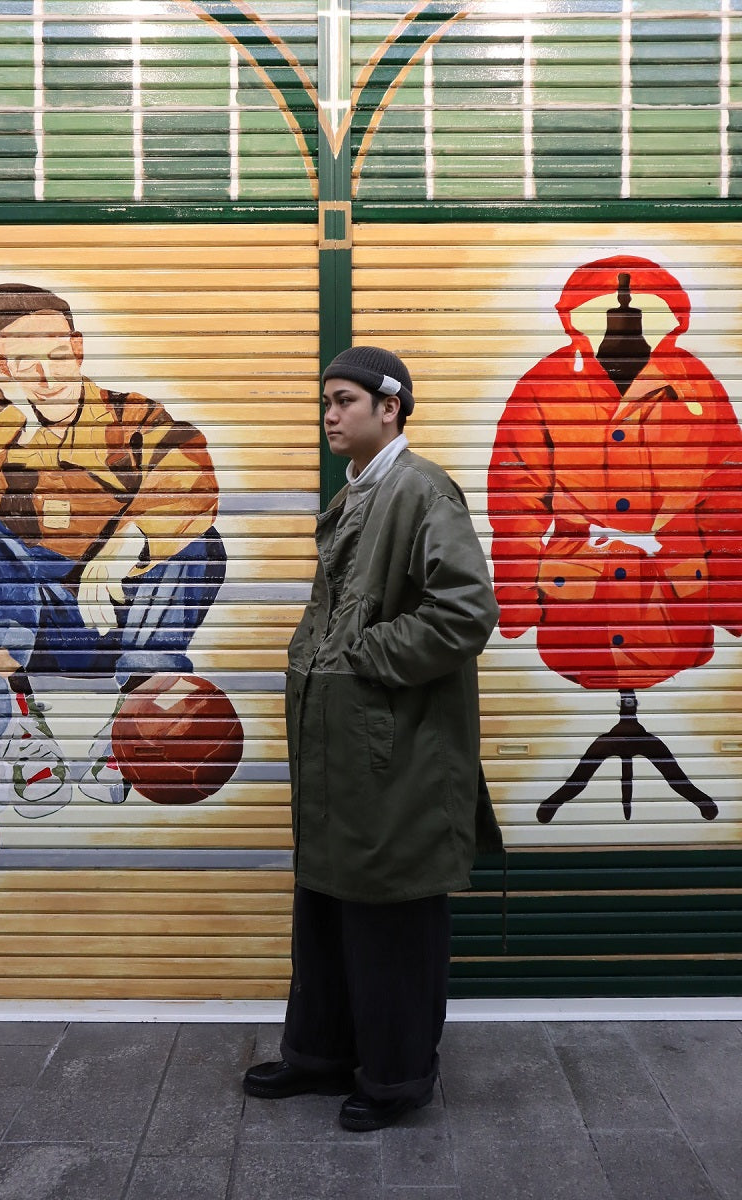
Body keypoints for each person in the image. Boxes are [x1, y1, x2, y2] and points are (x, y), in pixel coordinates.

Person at [243, 345, 502, 1131]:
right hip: (342, 754)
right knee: (327, 904)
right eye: (326, 400)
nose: (330, 413)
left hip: (398, 754)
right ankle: (321, 1056)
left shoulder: (420, 490)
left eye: (345, 399)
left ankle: (394, 1079)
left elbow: (465, 611)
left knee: (390, 914)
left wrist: (362, 658)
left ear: (391, 407)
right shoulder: (359, 491)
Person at [0, 283, 225, 814]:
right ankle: (15, 710)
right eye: (24, 362)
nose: (44, 377)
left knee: (200, 544)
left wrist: (131, 541)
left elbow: (194, 480)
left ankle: (136, 720)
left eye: (54, 355)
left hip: (126, 616)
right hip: (34, 621)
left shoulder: (134, 416)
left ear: (77, 347)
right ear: (3, 365)